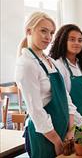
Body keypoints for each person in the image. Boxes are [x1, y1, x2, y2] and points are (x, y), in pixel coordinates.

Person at [15, 12, 75, 157]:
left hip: (62, 132)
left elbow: (66, 99)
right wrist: (56, 141)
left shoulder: (50, 61)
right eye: (43, 31)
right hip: (44, 135)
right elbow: (36, 111)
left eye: (51, 32)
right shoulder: (26, 64)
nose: (48, 37)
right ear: (29, 30)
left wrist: (70, 131)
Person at [49, 24, 82, 128]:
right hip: (68, 125)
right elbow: (64, 102)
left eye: (80, 40)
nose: (77, 43)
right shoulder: (58, 66)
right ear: (62, 41)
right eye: (72, 39)